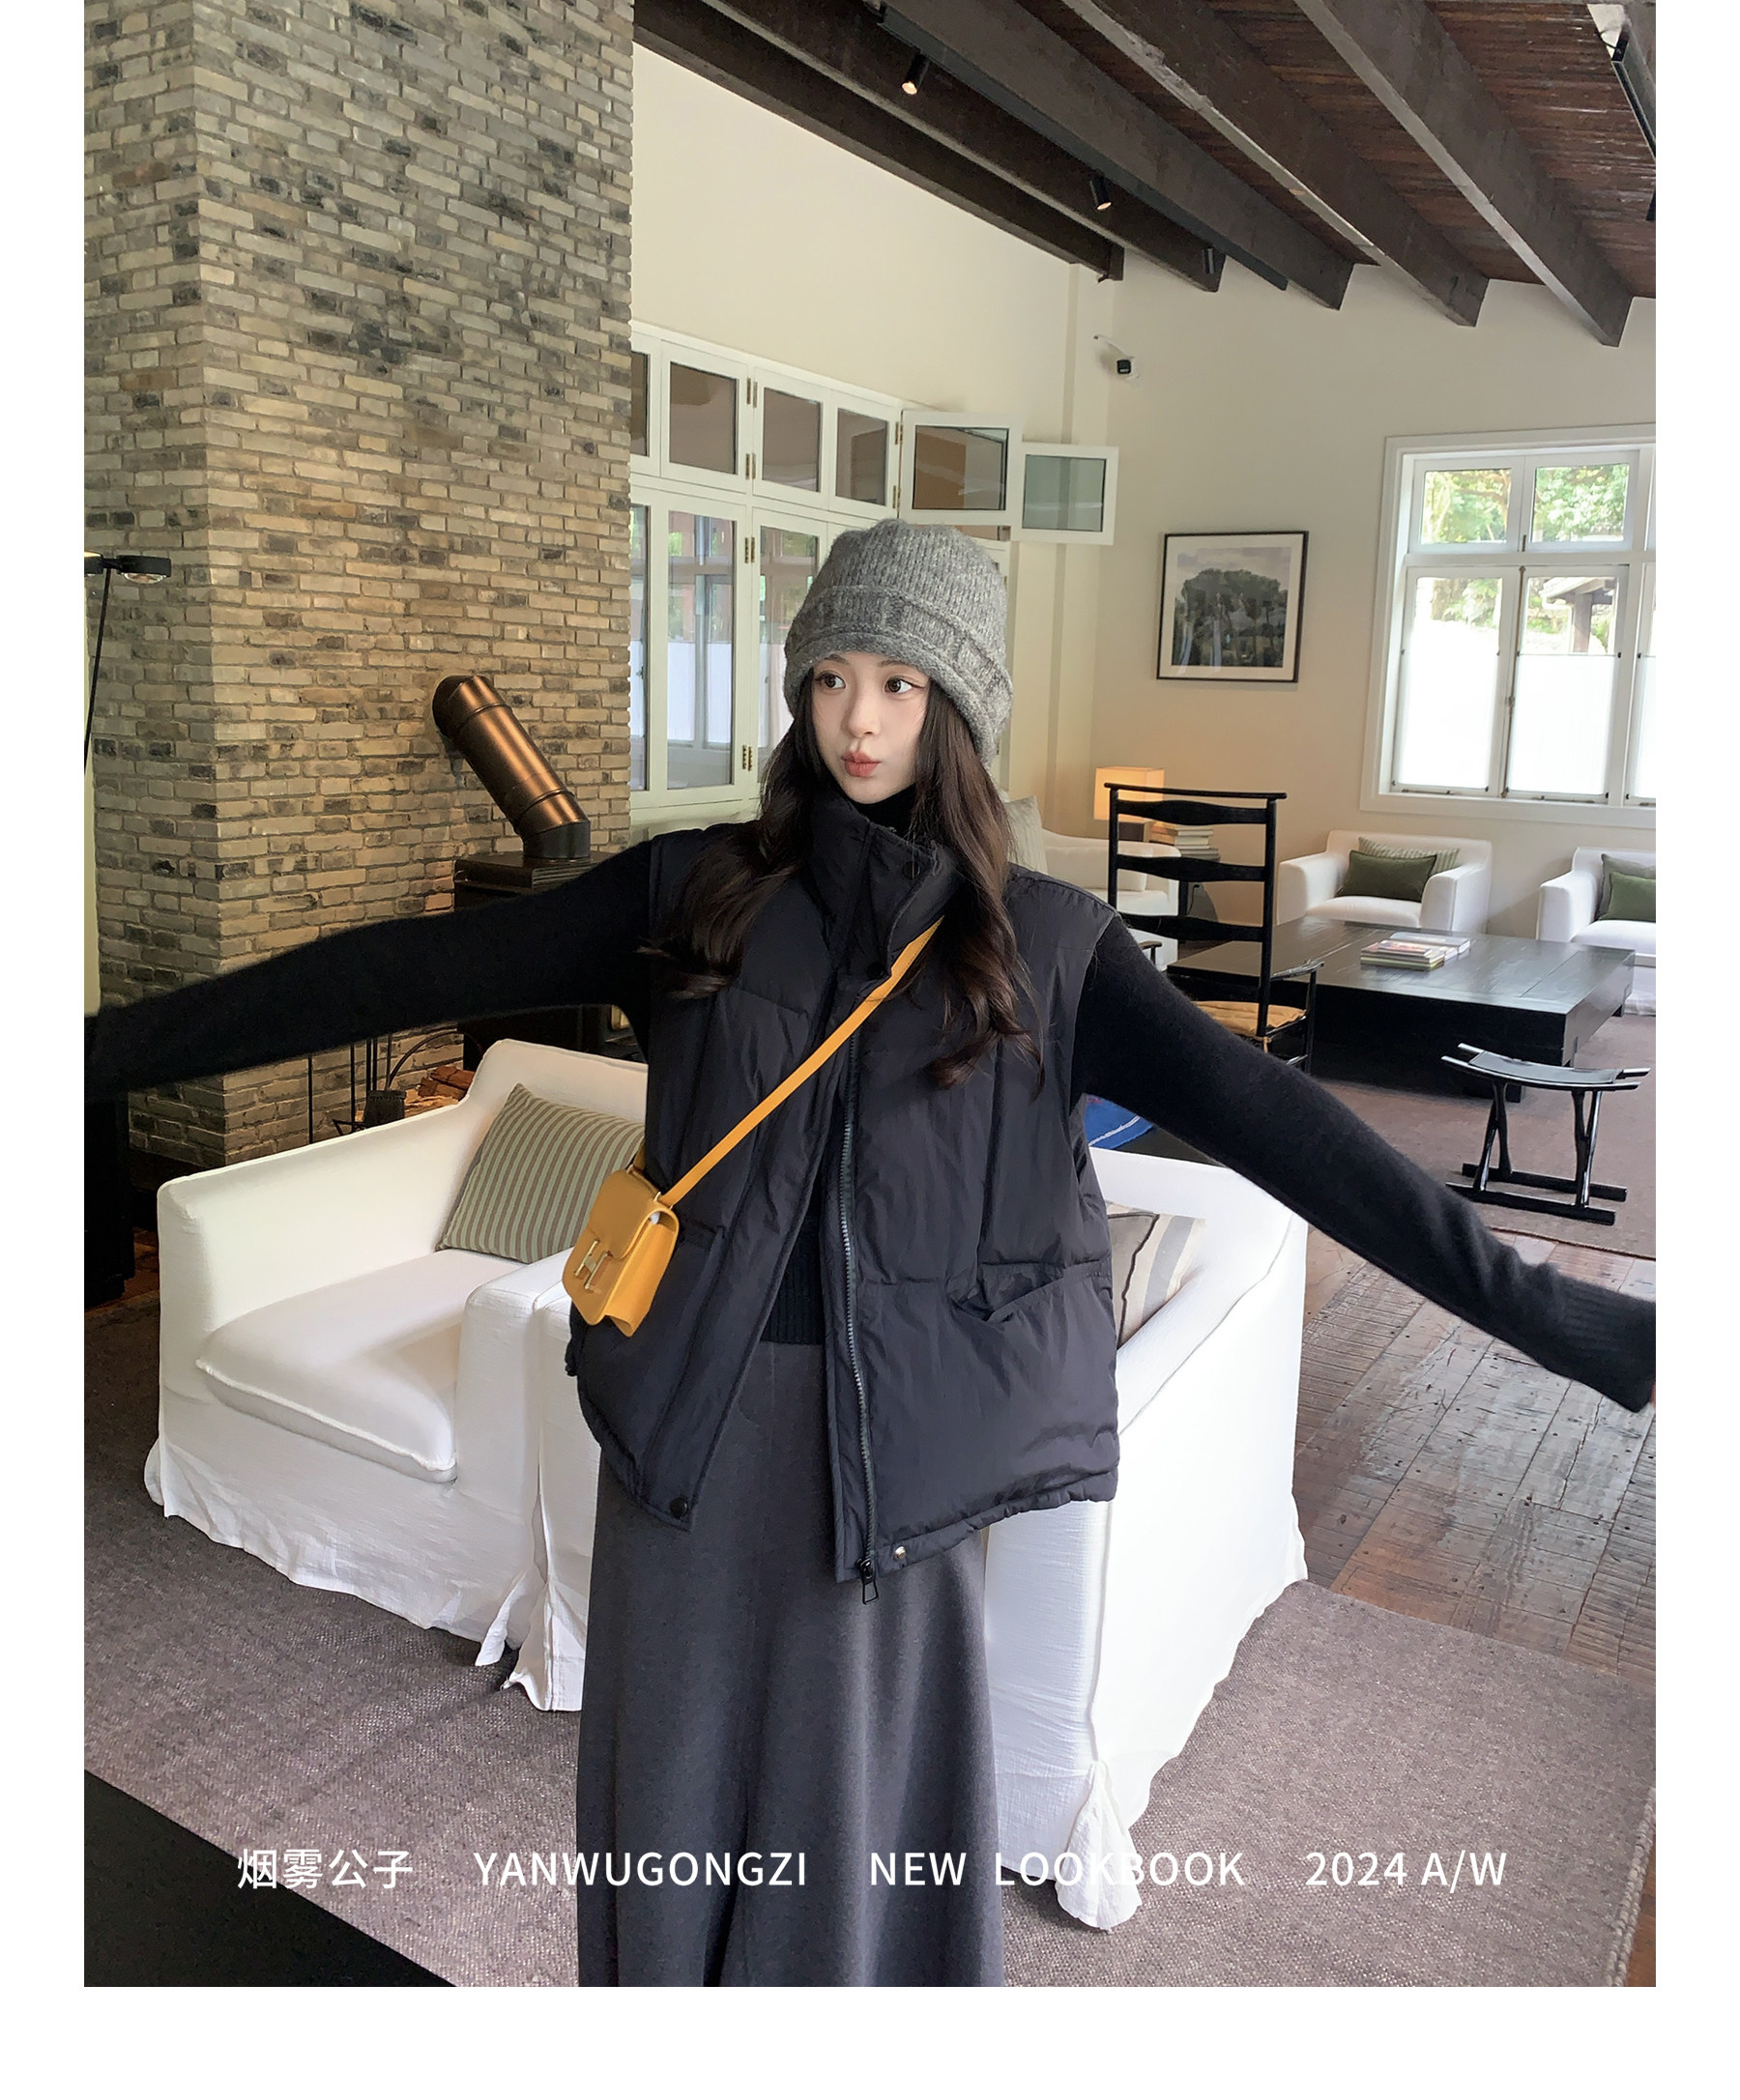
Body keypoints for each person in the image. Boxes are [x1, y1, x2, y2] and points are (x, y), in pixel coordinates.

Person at [86, 520, 1655, 1989]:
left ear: (955, 706)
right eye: (832, 675)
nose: (858, 717)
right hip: (692, 1436)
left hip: (889, 1469)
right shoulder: (691, 895)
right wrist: (96, 1052)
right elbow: (386, 972)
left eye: (900, 682)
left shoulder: (1048, 947)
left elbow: (1298, 1140)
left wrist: (1573, 1324)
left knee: (854, 1834)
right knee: (668, 1805)